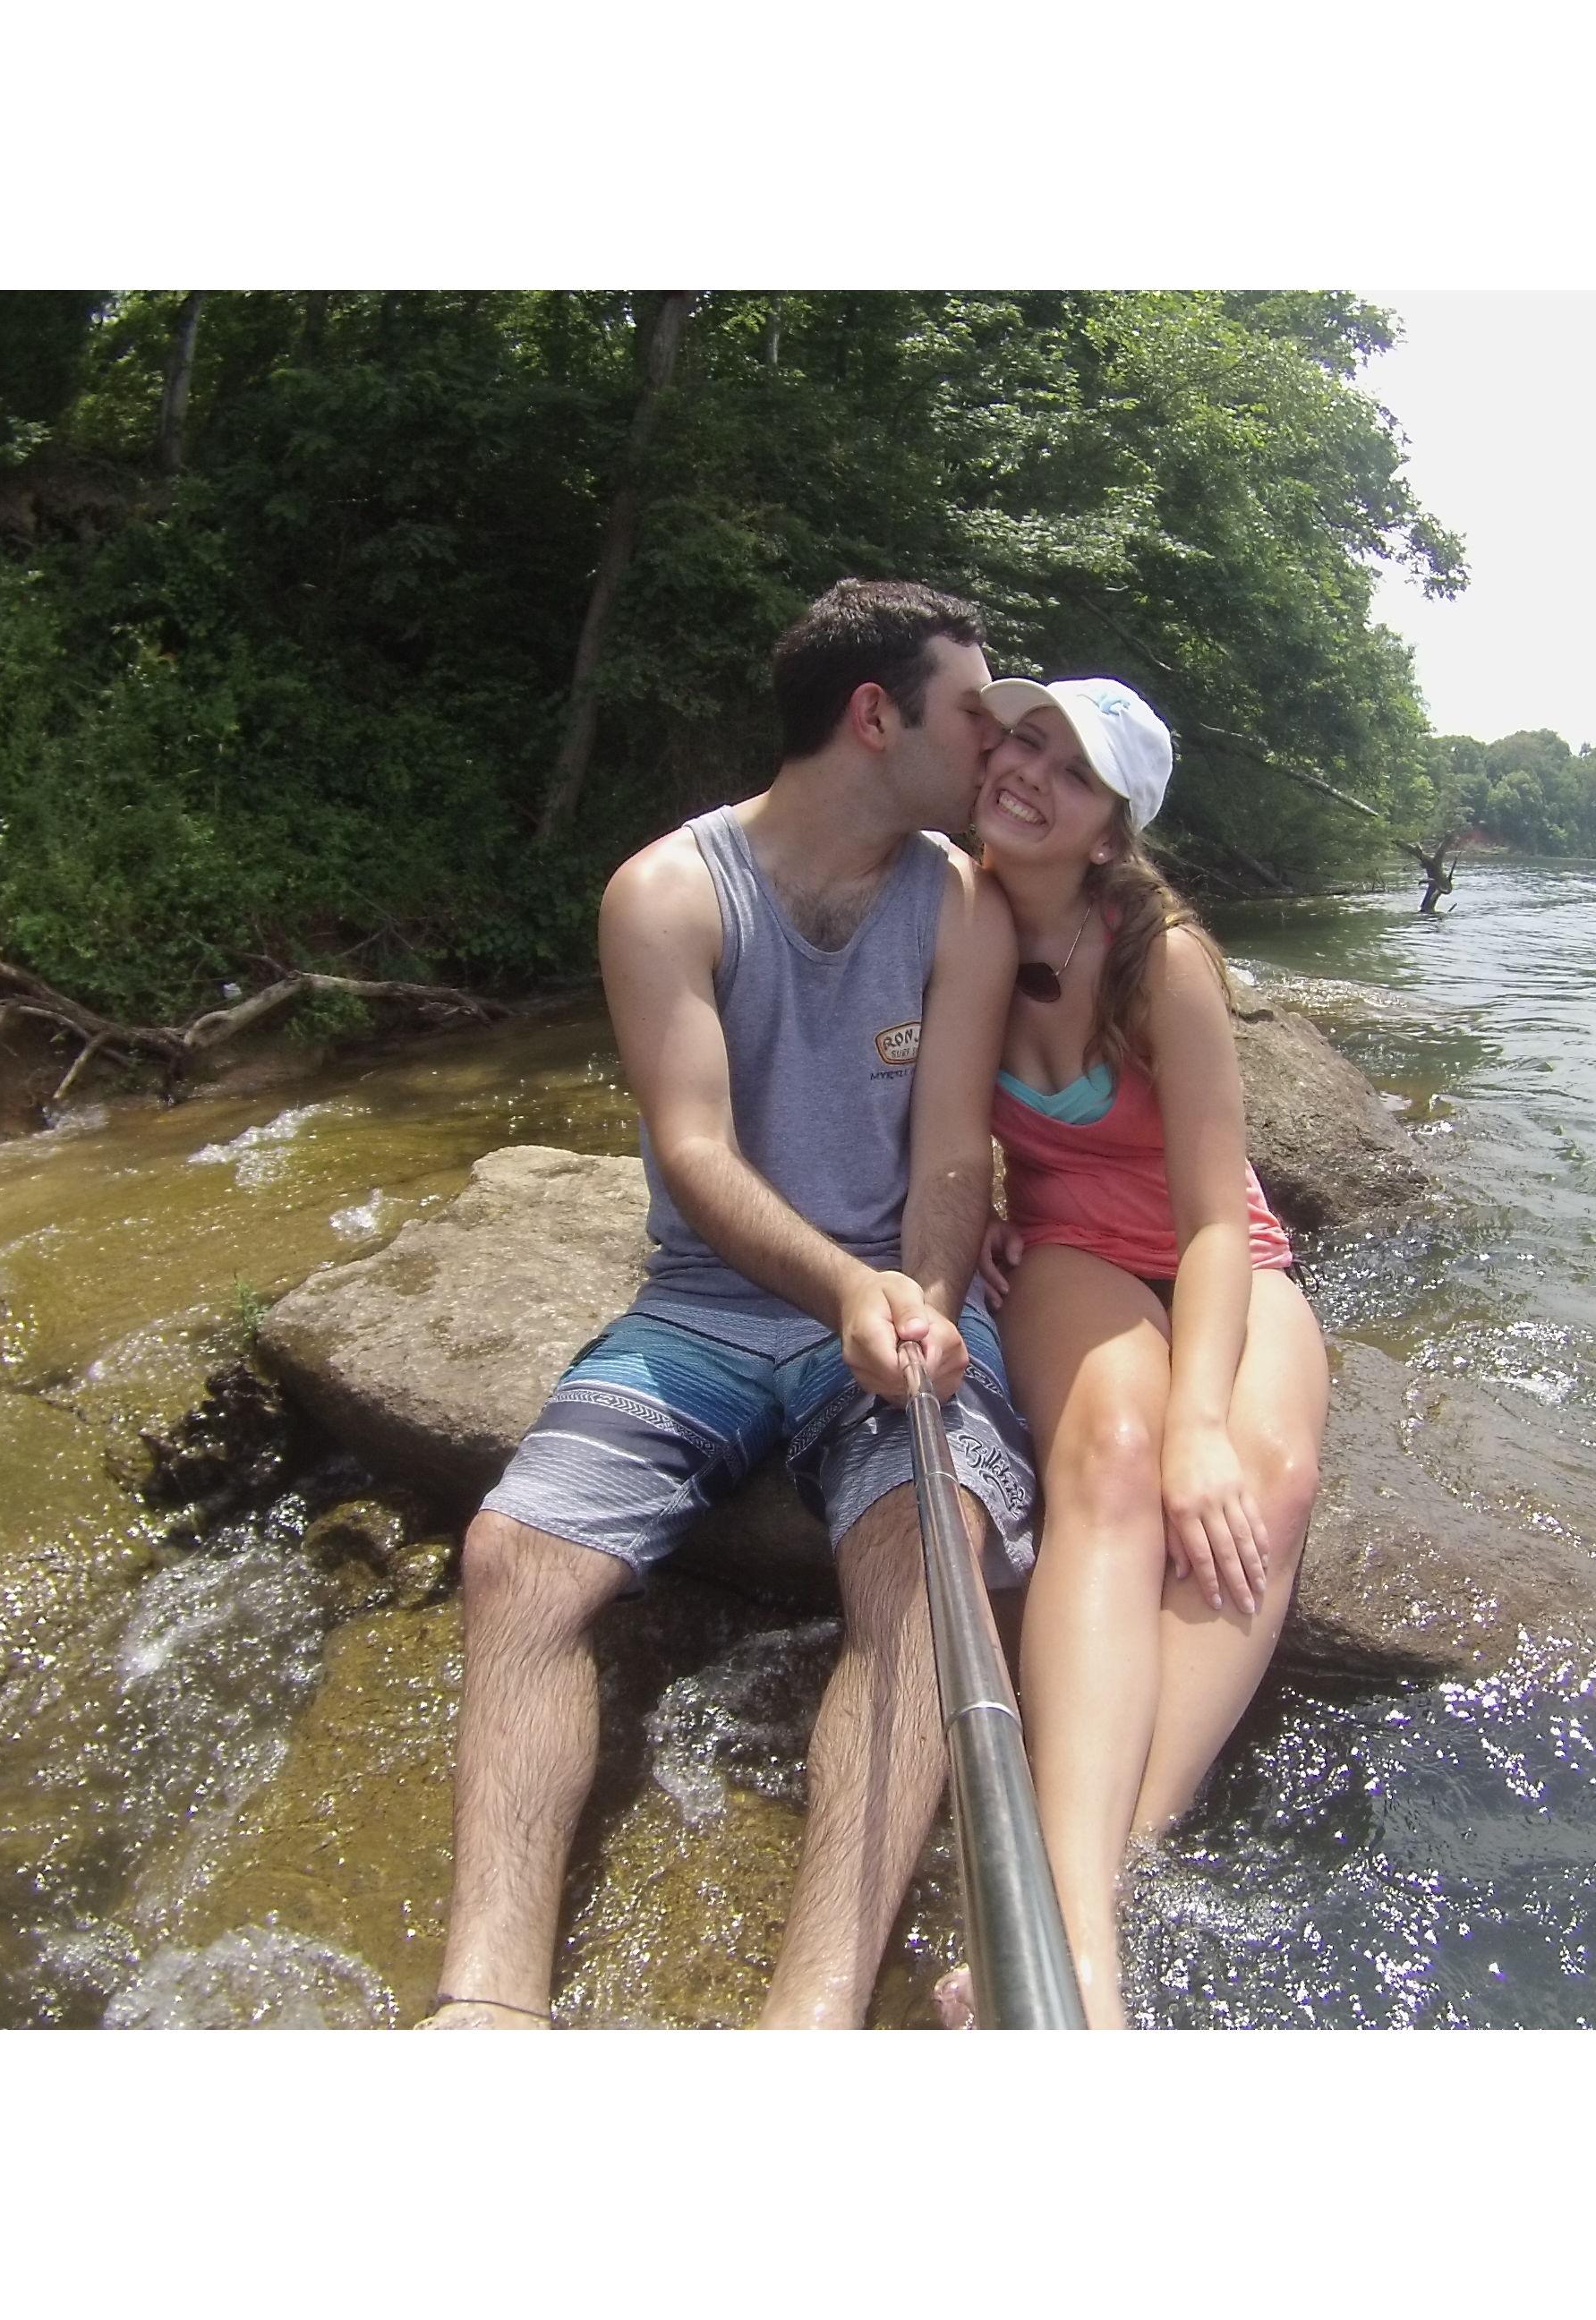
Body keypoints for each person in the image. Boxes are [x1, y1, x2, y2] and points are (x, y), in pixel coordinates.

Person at [420, 581, 1038, 2031]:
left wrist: (928, 1298)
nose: (996, 742)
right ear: (873, 716)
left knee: (925, 1568)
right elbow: (694, 1154)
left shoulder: (960, 901)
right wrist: (840, 1284)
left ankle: (806, 2023)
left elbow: (954, 1149)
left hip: (898, 1308)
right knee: (515, 1558)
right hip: (704, 1309)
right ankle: (488, 2001)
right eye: (971, 709)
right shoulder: (669, 893)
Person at [964, 675, 1329, 2030]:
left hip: (1210, 1246)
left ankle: (1089, 1896)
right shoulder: (956, 912)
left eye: (1068, 766)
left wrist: (1205, 1430)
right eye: (1019, 740)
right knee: (1113, 1461)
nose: (1026, 771)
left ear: (1114, 827)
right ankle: (1087, 1954)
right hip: (1067, 1248)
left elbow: (1215, 1216)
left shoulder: (1163, 956)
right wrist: (976, 1222)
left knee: (1262, 1479)